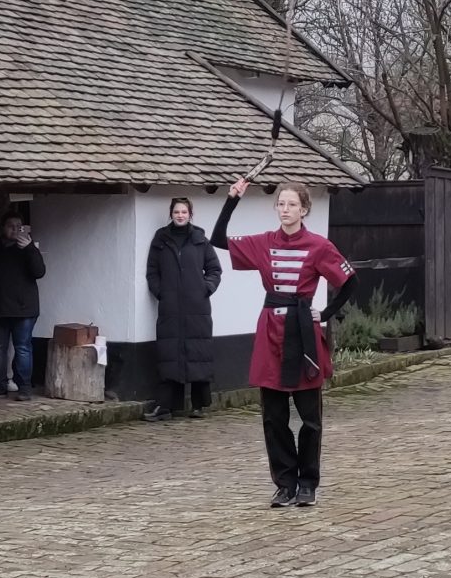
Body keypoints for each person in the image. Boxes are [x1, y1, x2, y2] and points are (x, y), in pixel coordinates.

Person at [211, 178, 353, 507]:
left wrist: (325, 313)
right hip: (270, 334)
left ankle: (308, 484)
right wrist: (232, 199)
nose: (285, 210)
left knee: (310, 418)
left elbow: (350, 281)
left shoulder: (319, 246)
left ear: (304, 210)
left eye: (292, 205)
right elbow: (218, 239)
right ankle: (285, 483)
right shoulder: (263, 242)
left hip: (302, 334)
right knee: (273, 418)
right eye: (281, 204)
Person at [145, 196, 224, 420]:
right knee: (169, 355)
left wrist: (205, 288)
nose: (180, 215)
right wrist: (161, 292)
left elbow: (214, 269)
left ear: (190, 214)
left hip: (197, 307)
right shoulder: (161, 239)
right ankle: (166, 406)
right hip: (170, 307)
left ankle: (199, 405)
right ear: (171, 214)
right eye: (176, 212)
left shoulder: (200, 240)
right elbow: (152, 271)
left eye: (184, 212)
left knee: (198, 353)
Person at [0, 213, 46, 401]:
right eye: (10, 226)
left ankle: (24, 387)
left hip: (24, 309)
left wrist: (30, 249)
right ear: (2, 228)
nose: (15, 229)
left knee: (22, 348)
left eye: (18, 226)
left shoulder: (28, 249)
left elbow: (39, 272)